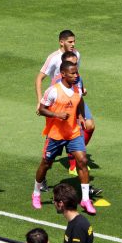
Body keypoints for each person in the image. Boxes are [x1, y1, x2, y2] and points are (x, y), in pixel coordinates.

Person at [34, 61, 96, 214]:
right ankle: (36, 193)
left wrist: (80, 116)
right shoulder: (53, 91)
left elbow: (80, 101)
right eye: (73, 73)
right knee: (46, 164)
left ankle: (86, 199)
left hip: (73, 133)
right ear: (63, 74)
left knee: (82, 160)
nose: (76, 75)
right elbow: (41, 110)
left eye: (77, 72)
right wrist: (57, 115)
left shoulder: (77, 88)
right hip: (55, 135)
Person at [36, 30, 95, 175]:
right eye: (70, 42)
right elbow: (39, 79)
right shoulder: (53, 58)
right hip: (59, 100)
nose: (73, 44)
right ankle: (72, 163)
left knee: (89, 125)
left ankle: (72, 155)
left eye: (74, 41)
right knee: (63, 133)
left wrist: (81, 87)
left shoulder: (77, 54)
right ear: (61, 42)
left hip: (75, 96)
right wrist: (39, 101)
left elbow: (76, 73)